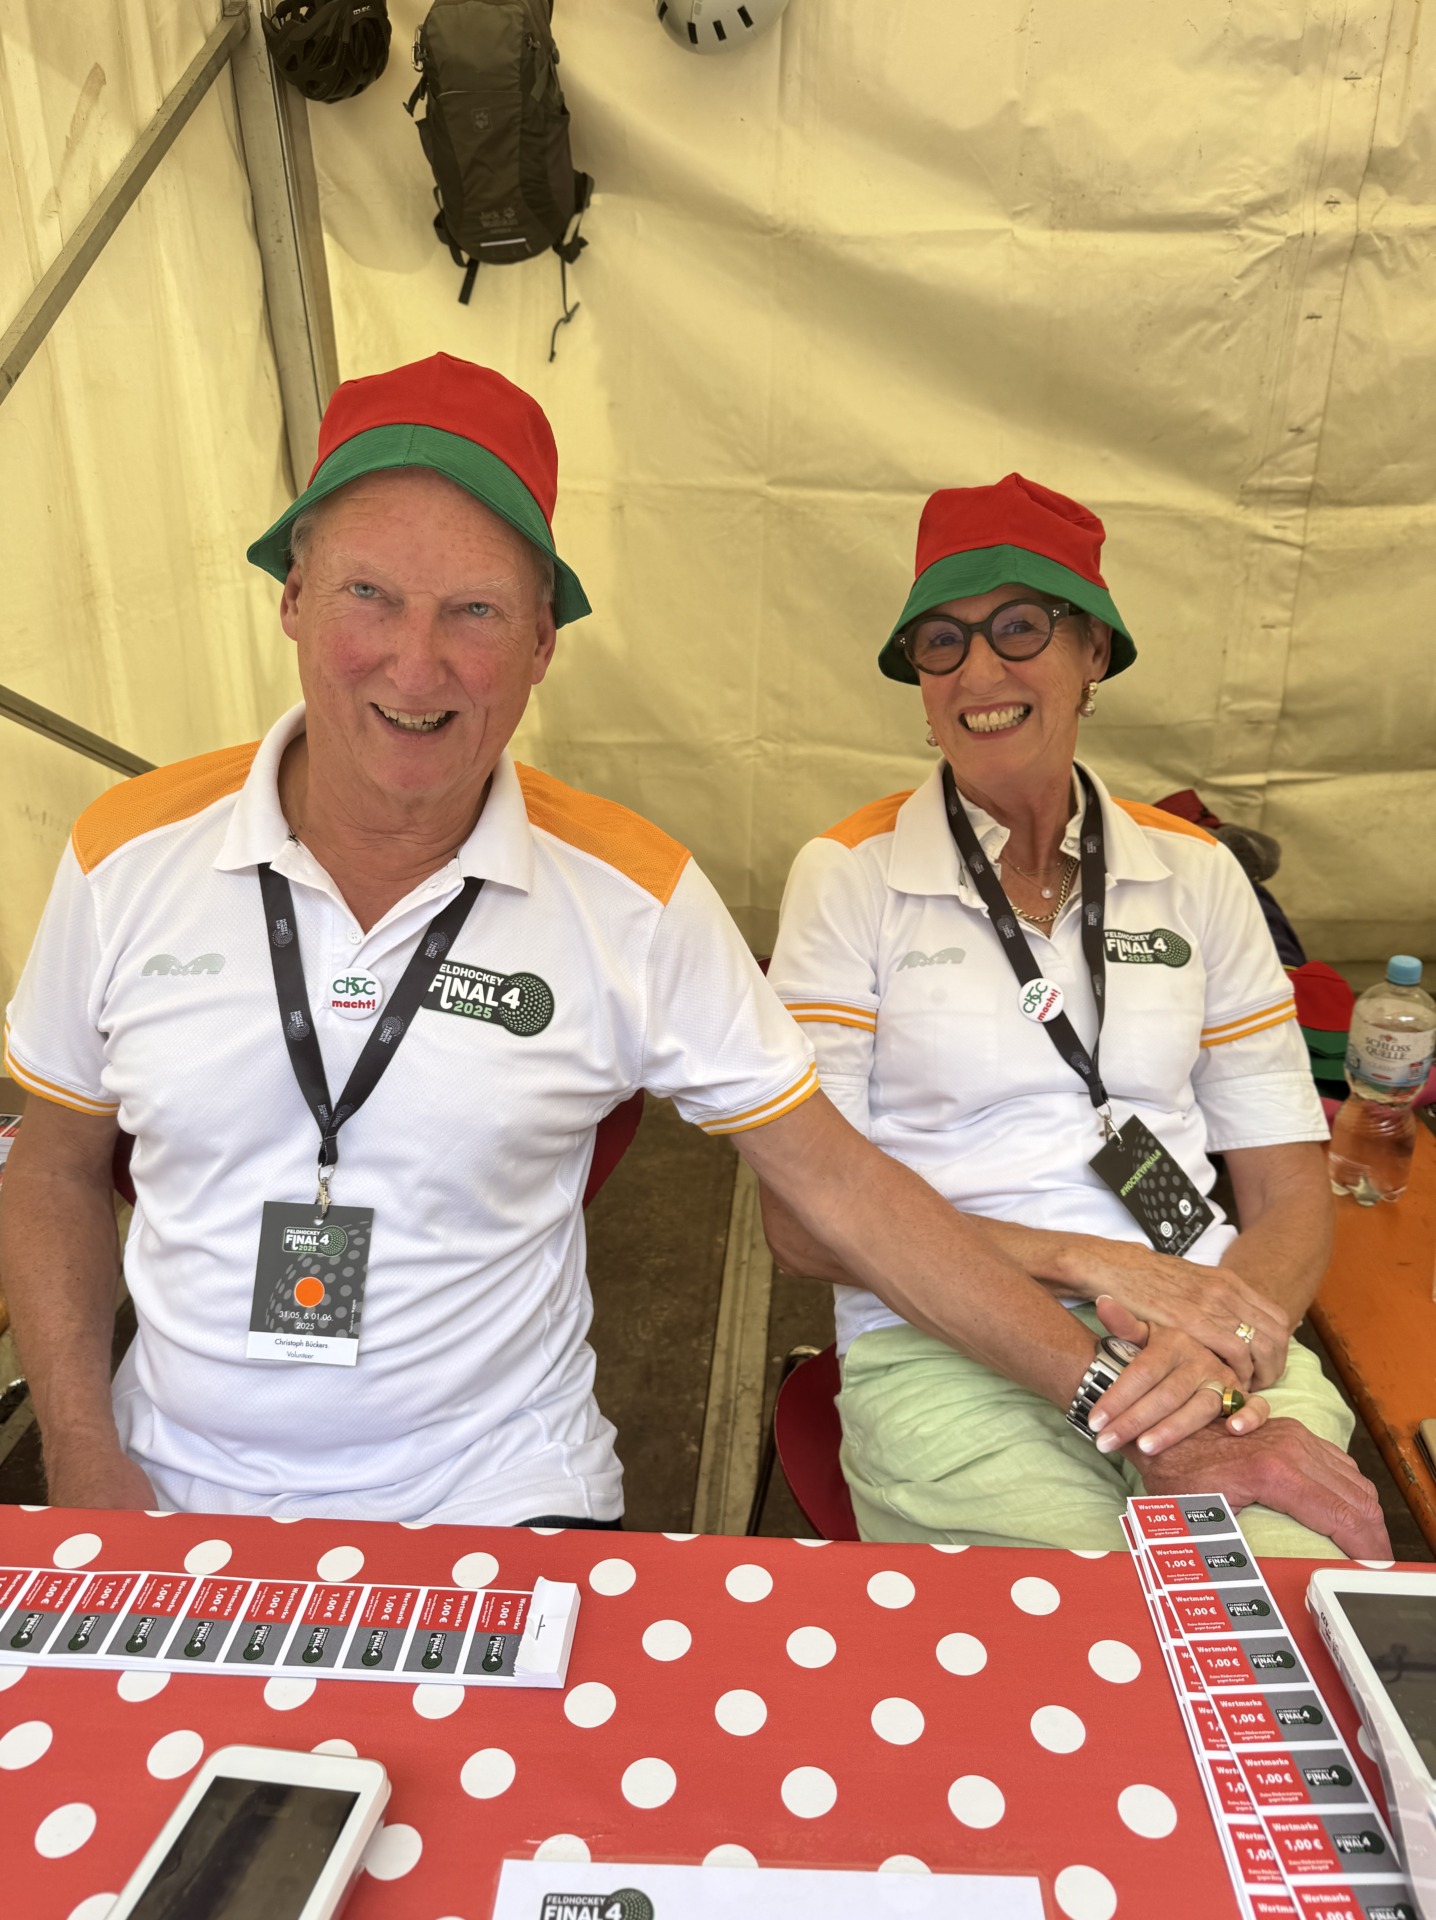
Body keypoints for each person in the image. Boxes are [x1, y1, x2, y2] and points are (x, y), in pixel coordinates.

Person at [2, 367, 1256, 1527]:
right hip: (161, 1482)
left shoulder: (632, 897)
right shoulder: (126, 855)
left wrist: (1136, 1416)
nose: (415, 663)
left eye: (476, 610)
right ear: (291, 598)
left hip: (499, 1497)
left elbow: (842, 1192)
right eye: (367, 594)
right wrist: (81, 1451)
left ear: (541, 646)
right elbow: (52, 1168)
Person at [762, 473, 1389, 1558]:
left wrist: (1217, 1340)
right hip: (946, 1337)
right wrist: (1097, 1264)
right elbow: (806, 1223)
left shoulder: (1194, 872)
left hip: (1205, 1322)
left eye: (1018, 627)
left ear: (1092, 649)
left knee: (1285, 1615)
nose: (978, 673)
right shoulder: (850, 874)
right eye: (941, 642)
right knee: (1077, 1623)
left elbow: (1287, 1188)